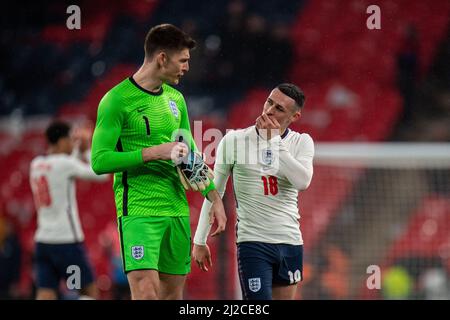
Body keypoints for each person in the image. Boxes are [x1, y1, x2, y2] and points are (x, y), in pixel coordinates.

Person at [90, 24, 226, 300]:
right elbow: (99, 161)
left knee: (172, 297)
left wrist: (215, 198)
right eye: (183, 60)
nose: (187, 67)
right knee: (146, 294)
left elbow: (190, 155)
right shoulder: (116, 100)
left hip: (176, 212)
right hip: (139, 211)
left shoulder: (176, 99)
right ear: (162, 58)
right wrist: (155, 152)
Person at [193, 83, 314, 300]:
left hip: (290, 242)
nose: (269, 110)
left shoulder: (301, 142)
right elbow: (214, 192)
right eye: (269, 102)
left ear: (295, 117)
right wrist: (199, 240)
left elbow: (302, 181)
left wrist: (274, 141)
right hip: (253, 242)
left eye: (279, 109)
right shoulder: (234, 140)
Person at [29, 121, 108, 300]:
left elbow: (63, 165)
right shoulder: (65, 164)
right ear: (62, 141)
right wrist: (87, 150)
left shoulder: (36, 164)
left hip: (42, 242)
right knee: (87, 290)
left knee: (45, 293)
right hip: (66, 243)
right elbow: (101, 175)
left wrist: (75, 151)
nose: (72, 143)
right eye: (70, 139)